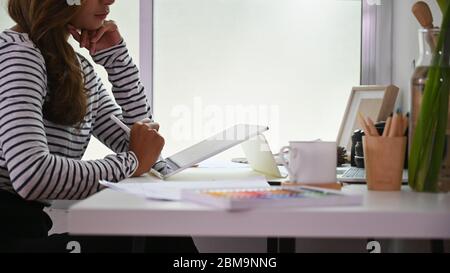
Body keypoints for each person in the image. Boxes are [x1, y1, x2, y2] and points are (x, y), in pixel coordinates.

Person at [0, 0, 197, 253]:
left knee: (160, 227)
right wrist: (133, 162)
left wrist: (118, 61)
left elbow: (146, 147)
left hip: (26, 231)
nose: (110, 0)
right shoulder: (18, 56)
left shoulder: (75, 68)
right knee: (156, 235)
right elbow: (32, 175)